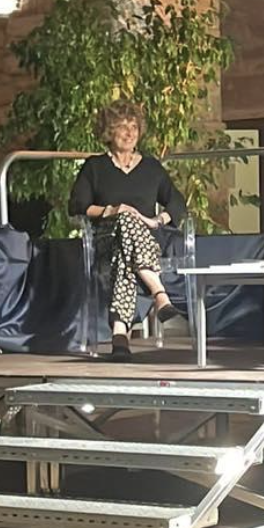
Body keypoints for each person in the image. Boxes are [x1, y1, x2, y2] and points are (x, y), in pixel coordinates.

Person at [68, 100, 188, 361]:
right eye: (122, 127)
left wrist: (157, 220)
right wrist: (113, 210)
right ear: (109, 132)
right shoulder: (95, 167)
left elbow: (177, 202)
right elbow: (78, 205)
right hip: (105, 239)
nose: (130, 133)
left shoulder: (151, 167)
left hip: (145, 242)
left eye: (134, 127)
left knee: (126, 245)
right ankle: (160, 296)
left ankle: (120, 335)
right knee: (125, 221)